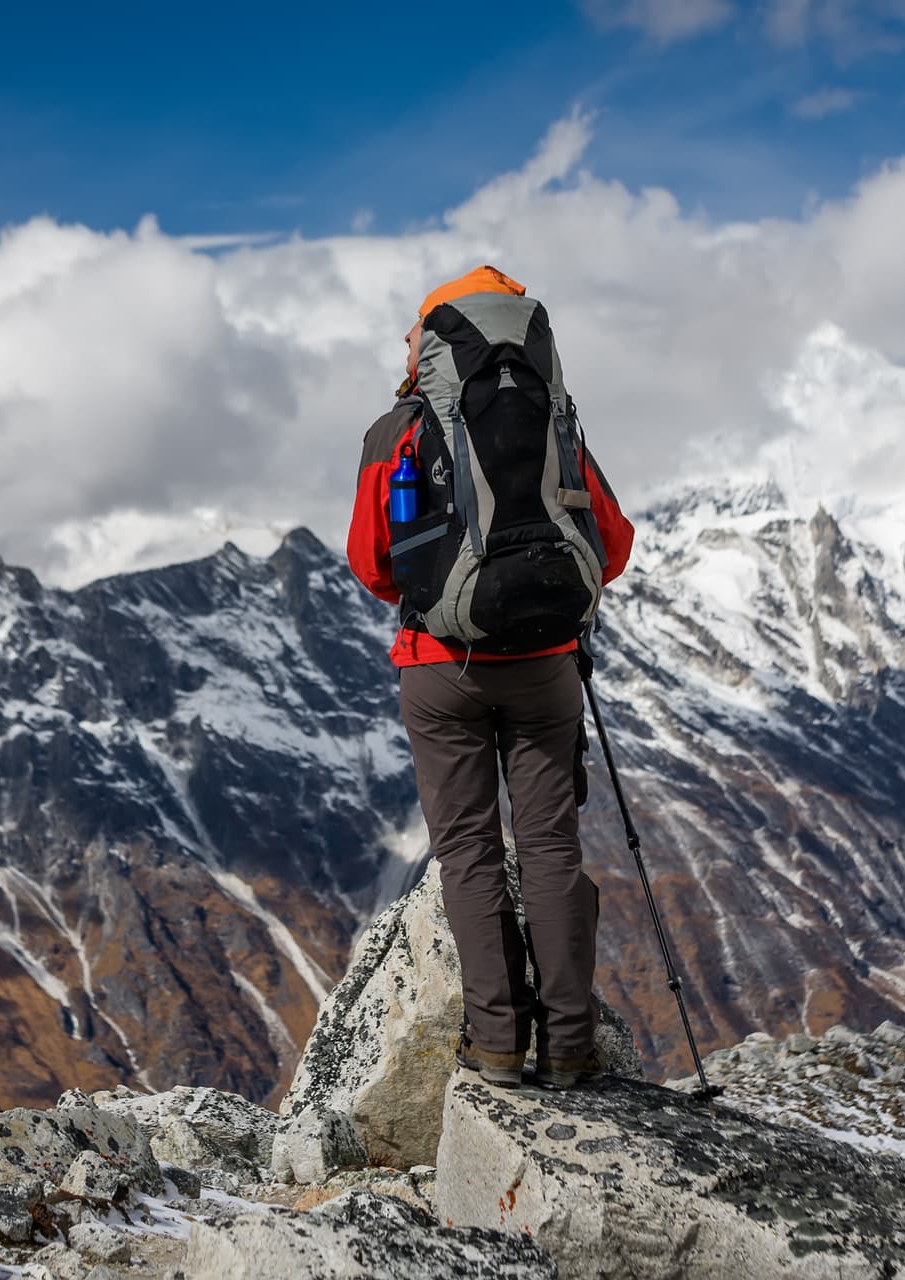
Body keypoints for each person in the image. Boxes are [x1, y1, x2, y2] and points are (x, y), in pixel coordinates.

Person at [347, 266, 634, 1089]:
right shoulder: (558, 420)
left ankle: (498, 1045)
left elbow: (372, 562)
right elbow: (610, 546)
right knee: (550, 845)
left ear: (433, 338)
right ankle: (572, 1046)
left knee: (469, 852)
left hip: (442, 670)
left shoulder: (396, 429)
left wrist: (446, 595)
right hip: (547, 667)